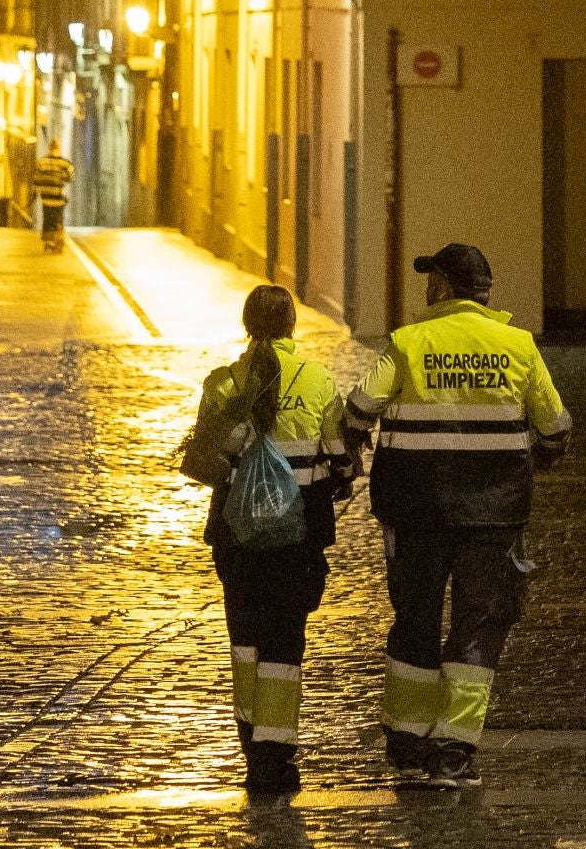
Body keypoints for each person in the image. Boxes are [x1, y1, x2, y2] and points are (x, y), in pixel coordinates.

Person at [344, 243, 571, 789]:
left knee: (415, 619)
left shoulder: (407, 342)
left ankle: (406, 743)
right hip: (493, 517)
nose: (426, 288)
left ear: (443, 287)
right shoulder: (517, 346)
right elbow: (555, 424)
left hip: (415, 512)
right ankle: (454, 752)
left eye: (431, 279)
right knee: (478, 627)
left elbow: (358, 409)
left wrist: (350, 450)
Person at [187, 284, 352, 797]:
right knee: (285, 643)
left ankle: (251, 746)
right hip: (296, 538)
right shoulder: (320, 380)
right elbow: (341, 460)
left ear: (246, 324)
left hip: (237, 539)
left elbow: (206, 462)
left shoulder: (222, 383)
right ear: (291, 326)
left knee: (245, 643)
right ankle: (275, 759)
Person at [32, 137, 73, 252]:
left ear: (49, 148)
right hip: (59, 197)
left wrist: (36, 192)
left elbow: (36, 179)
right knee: (58, 220)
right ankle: (58, 240)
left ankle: (48, 241)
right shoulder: (64, 163)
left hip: (46, 197)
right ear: (58, 148)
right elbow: (71, 175)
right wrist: (61, 178)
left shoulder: (41, 162)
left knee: (48, 219)